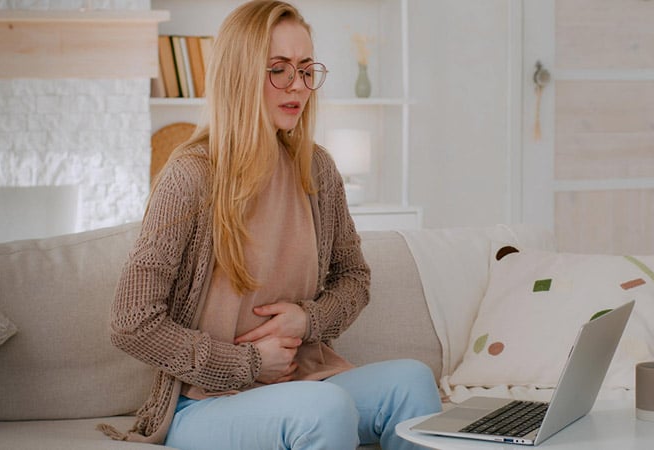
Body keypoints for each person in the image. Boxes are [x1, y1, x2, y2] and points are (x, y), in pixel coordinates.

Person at [102, 1, 442, 449]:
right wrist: (245, 363)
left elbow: (354, 279)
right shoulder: (190, 176)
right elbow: (131, 321)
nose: (297, 86)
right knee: (326, 410)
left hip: (306, 382)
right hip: (207, 402)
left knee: (413, 381)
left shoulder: (317, 169)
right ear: (240, 74)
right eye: (278, 69)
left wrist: (308, 319)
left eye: (305, 70)